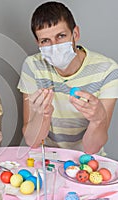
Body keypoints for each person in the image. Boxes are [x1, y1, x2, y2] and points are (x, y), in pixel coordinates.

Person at [17, 1, 118, 155]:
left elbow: (92, 148)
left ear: (75, 34)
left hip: (85, 159)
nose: (54, 46)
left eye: (61, 36)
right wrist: (42, 115)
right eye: (45, 41)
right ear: (38, 43)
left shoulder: (107, 70)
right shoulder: (32, 66)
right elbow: (33, 141)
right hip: (46, 158)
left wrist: (98, 120)